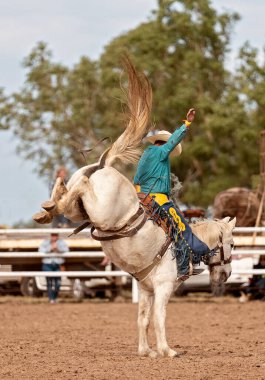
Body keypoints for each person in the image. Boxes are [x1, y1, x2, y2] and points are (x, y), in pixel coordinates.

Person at [134, 108, 213, 279]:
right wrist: (187, 123)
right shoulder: (160, 152)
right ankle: (186, 265)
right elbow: (174, 141)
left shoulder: (145, 156)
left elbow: (136, 182)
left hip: (144, 199)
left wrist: (144, 200)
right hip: (159, 200)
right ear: (164, 143)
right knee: (182, 228)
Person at [39, 232, 69, 303]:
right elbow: (40, 251)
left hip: (57, 264)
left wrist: (58, 249)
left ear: (57, 236)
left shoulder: (61, 243)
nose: (54, 237)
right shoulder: (45, 242)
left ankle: (54, 298)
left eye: (55, 235)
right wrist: (50, 249)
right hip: (47, 264)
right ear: (50, 236)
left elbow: (66, 250)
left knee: (58, 283)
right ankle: (51, 299)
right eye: (52, 235)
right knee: (49, 282)